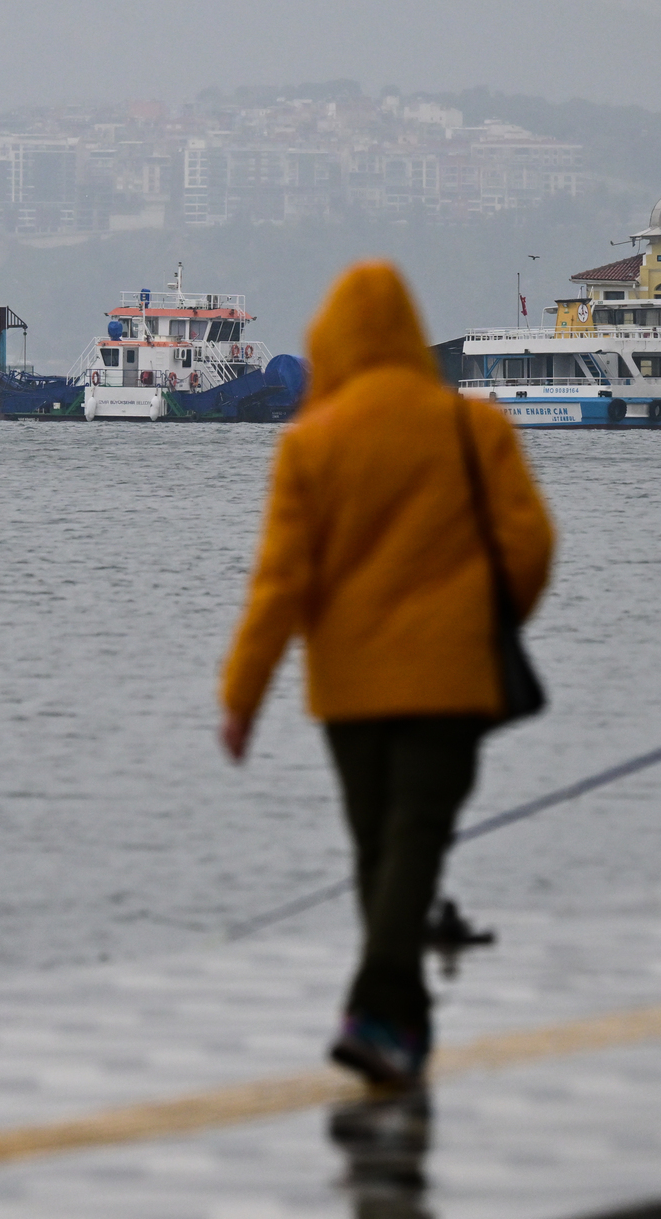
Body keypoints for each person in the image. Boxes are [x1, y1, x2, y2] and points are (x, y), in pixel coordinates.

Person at [219, 262, 554, 1088]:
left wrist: (241, 696)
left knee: (380, 849)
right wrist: (488, 617)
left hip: (350, 690)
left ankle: (378, 1014)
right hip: (452, 681)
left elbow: (280, 584)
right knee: (412, 845)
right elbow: (530, 547)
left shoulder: (311, 441)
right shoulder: (473, 428)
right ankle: (396, 1022)